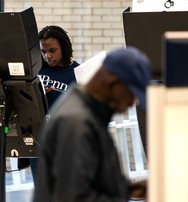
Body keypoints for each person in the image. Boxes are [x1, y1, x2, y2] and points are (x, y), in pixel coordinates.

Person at [34, 47, 151, 202]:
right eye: (131, 95)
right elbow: (74, 198)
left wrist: (129, 190)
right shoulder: (76, 122)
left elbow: (90, 179)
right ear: (112, 82)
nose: (131, 104)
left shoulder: (86, 110)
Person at [20, 25, 80, 184]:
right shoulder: (36, 70)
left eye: (53, 51)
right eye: (43, 52)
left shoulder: (78, 73)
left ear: (64, 48)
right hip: (40, 142)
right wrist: (37, 96)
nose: (47, 56)